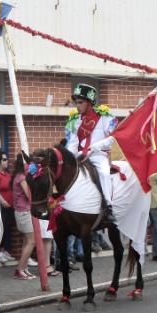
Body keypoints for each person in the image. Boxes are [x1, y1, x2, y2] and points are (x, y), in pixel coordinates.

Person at [64, 83, 118, 225]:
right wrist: (69, 156)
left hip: (98, 155)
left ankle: (108, 206)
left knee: (104, 173)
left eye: (80, 102)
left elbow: (113, 138)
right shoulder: (75, 121)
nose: (77, 105)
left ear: (90, 103)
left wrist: (94, 147)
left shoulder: (106, 118)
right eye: (76, 102)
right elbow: (73, 143)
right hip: (80, 155)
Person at [11, 154, 37, 279]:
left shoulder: (19, 176)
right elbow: (29, 195)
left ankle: (23, 267)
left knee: (27, 241)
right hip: (24, 212)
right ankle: (20, 269)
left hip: (23, 211)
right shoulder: (21, 177)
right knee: (31, 241)